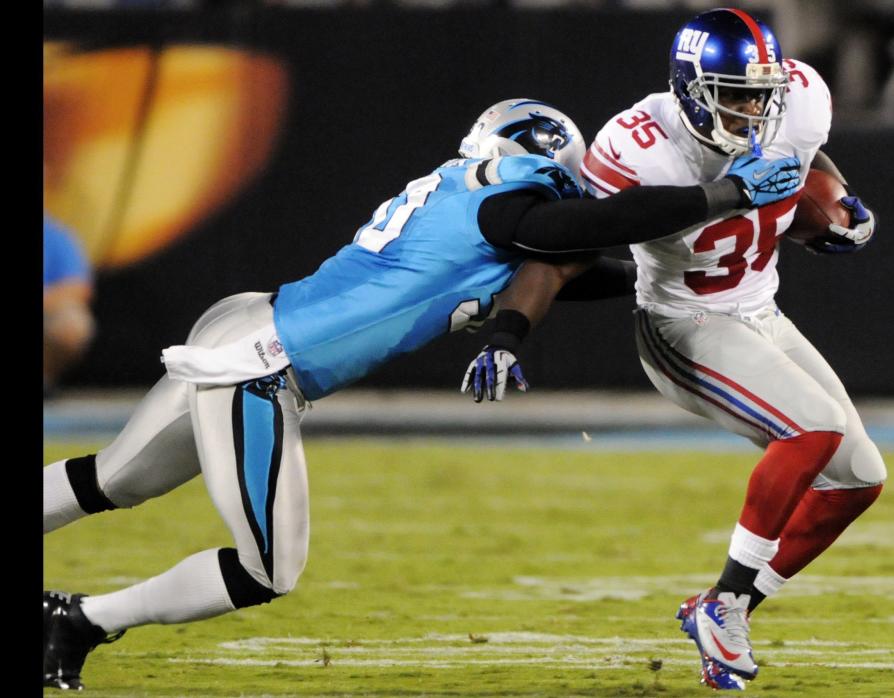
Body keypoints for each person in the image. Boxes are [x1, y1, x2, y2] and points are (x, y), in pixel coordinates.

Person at [42, 97, 800, 691]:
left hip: (246, 325)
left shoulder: (468, 209)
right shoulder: (506, 197)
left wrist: (719, 260)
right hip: (260, 365)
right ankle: (79, 621)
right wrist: (726, 194)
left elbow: (586, 266)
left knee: (110, 480)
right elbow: (589, 223)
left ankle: (73, 619)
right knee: (268, 567)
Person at [464, 10, 883, 692]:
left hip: (758, 309)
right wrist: (510, 330)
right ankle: (724, 605)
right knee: (815, 428)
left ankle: (729, 605)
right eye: (736, 94)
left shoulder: (799, 98)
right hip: (684, 324)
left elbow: (804, 155)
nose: (755, 109)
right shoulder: (637, 145)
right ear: (691, 88)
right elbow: (570, 255)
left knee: (859, 477)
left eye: (763, 93)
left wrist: (833, 201)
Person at [44, 214, 96, 398]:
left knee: (72, 320)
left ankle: (45, 378)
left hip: (46, 314)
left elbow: (78, 288)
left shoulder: (54, 234)